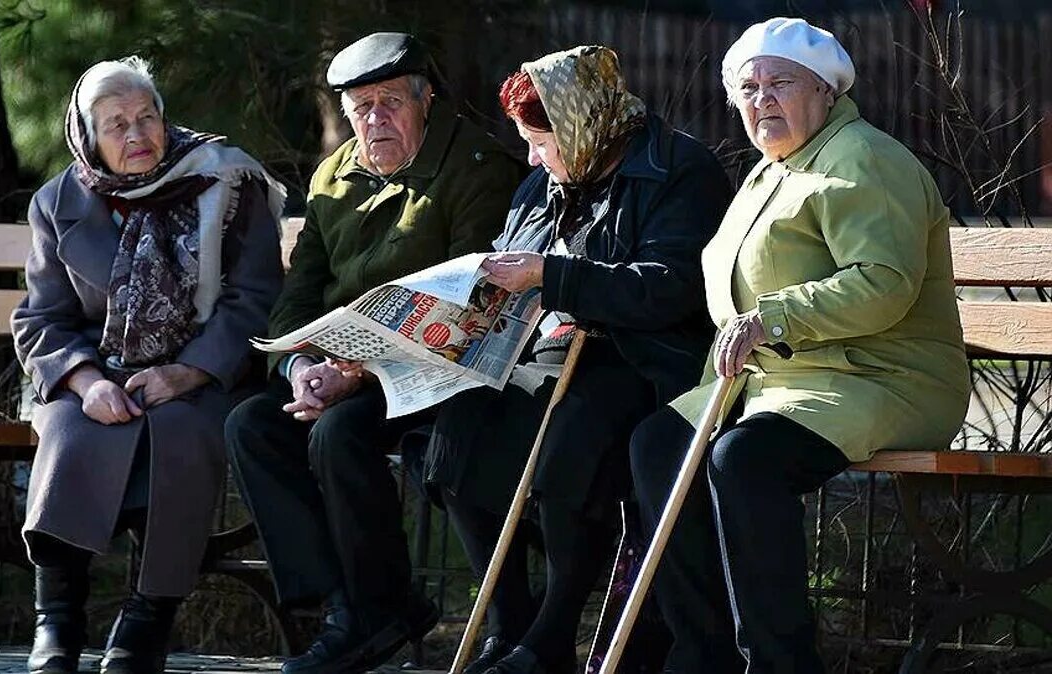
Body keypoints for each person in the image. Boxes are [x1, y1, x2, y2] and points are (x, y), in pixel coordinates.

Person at [629, 18, 970, 673]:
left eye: (780, 83)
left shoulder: (860, 158)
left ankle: (781, 662)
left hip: (885, 377)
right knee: (658, 445)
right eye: (748, 89)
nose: (763, 100)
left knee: (744, 459)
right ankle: (704, 656)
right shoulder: (770, 173)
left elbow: (883, 284)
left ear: (825, 90)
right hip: (787, 384)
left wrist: (769, 319)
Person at [224, 32, 525, 674]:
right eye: (360, 108)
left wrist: (358, 373)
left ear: (426, 100)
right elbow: (299, 292)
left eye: (390, 102)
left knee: (338, 434)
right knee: (251, 425)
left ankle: (377, 610)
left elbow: (476, 303)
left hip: (438, 373)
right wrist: (300, 365)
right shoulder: (335, 174)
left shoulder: (477, 167)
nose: (374, 120)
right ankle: (349, 606)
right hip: (340, 370)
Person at [425, 46, 731, 674]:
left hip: (645, 361)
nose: (533, 159)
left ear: (581, 124)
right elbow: (516, 257)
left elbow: (668, 286)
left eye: (541, 141)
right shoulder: (545, 180)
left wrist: (554, 278)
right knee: (456, 432)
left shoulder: (679, 170)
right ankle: (509, 627)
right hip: (549, 356)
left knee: (574, 440)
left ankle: (550, 636)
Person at [12, 56, 284, 674]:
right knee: (68, 433)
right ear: (87, 135)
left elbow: (255, 299)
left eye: (147, 117)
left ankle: (146, 619)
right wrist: (83, 383)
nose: (137, 136)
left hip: (202, 372)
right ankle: (57, 621)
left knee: (181, 434)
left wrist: (188, 371)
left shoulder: (225, 181)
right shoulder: (58, 201)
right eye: (116, 125)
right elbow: (42, 317)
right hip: (96, 373)